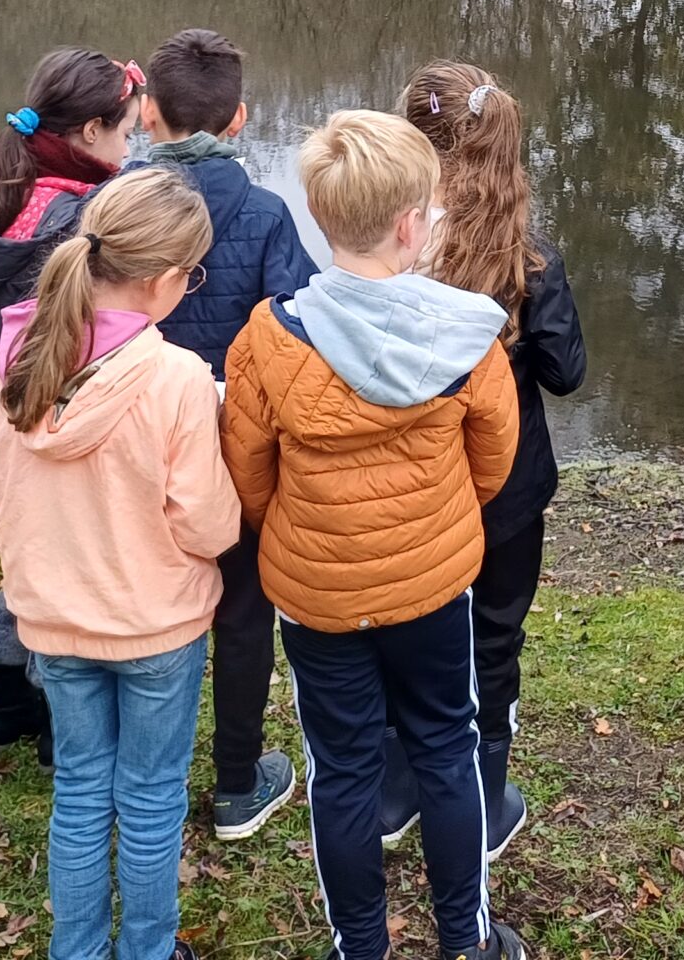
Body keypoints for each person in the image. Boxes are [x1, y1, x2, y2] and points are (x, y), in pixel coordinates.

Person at [221, 111, 524, 960]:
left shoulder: (266, 339)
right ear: (410, 224)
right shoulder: (469, 332)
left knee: (344, 767)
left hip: (318, 596)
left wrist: (304, 527)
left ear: (321, 217)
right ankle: (467, 938)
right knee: (446, 748)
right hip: (432, 586)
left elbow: (249, 474)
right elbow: (492, 463)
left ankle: (361, 947)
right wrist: (435, 521)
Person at [0, 169, 240, 960]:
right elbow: (209, 523)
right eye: (191, 276)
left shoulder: (18, 354)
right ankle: (149, 950)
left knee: (81, 791)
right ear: (161, 281)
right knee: (151, 800)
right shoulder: (178, 379)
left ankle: (78, 950)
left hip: (50, 619)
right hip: (157, 625)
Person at [389, 60, 586, 861]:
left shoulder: (382, 241)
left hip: (409, 484)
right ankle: (482, 796)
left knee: (408, 632)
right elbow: (567, 373)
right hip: (503, 486)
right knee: (493, 638)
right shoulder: (529, 258)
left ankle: (396, 793)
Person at [134, 27, 319, 841]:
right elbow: (298, 326)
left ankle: (139, 776)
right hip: (236, 449)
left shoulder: (116, 208)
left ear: (146, 113)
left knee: (143, 604)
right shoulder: (268, 212)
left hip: (132, 439)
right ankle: (238, 783)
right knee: (243, 613)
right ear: (239, 118)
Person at [0, 47, 148, 763]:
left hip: (5, 398)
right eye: (126, 132)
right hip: (72, 400)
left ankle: (9, 704)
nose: (130, 149)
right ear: (92, 130)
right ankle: (61, 722)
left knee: (23, 556)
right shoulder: (84, 213)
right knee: (69, 565)